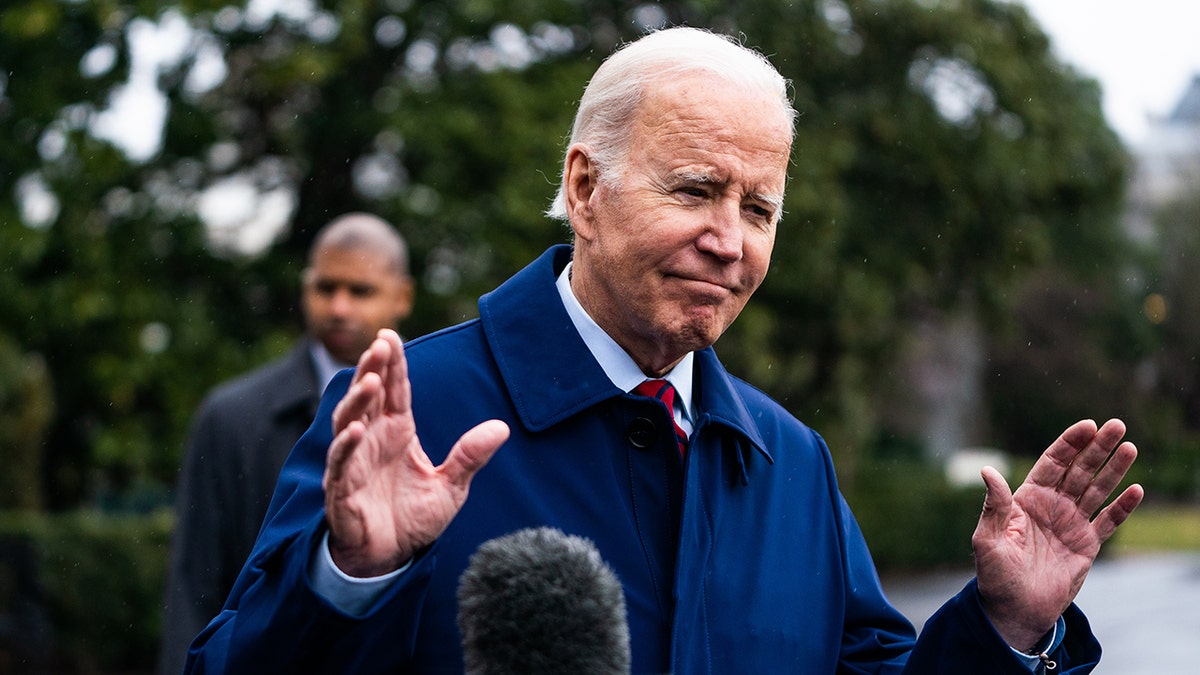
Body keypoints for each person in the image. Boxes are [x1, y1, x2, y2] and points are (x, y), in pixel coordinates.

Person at [183, 28, 1143, 674]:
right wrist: (351, 579)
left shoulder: (789, 459)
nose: (731, 239)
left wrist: (1008, 626)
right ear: (586, 188)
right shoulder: (409, 407)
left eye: (759, 207)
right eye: (694, 189)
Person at [158, 213, 414, 675]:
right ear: (304, 289)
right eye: (325, 287)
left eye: (360, 291)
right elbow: (194, 581)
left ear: (403, 296)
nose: (339, 307)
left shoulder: (441, 406)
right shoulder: (231, 416)